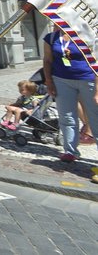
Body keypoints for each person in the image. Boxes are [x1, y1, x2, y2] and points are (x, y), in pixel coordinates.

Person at [41, 23, 98, 163]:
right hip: (61, 80)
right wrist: (49, 81)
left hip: (88, 80)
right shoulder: (51, 37)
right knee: (66, 116)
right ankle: (70, 151)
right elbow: (47, 60)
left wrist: (97, 90)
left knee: (95, 117)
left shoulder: (88, 36)